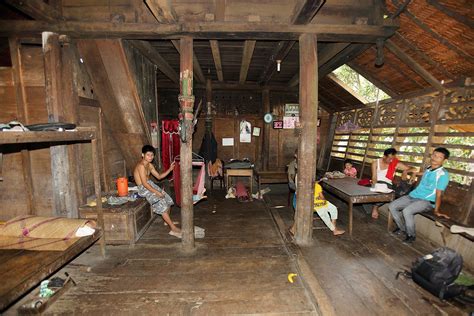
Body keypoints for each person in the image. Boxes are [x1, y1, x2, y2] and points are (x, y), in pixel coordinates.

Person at [389, 147, 451, 244]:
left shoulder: (443, 174)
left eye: (439, 157)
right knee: (392, 206)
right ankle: (402, 228)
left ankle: (411, 235)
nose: (435, 158)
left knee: (407, 211)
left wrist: (436, 211)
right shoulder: (429, 168)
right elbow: (426, 172)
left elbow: (439, 194)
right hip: (414, 196)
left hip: (427, 201)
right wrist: (415, 174)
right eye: (434, 155)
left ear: (444, 160)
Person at [134, 145, 181, 238]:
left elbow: (159, 177)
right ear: (142, 155)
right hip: (143, 188)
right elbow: (144, 184)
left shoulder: (149, 165)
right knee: (161, 203)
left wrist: (169, 170)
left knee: (168, 199)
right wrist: (157, 192)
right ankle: (172, 227)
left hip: (150, 184)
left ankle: (166, 221)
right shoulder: (141, 166)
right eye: (148, 155)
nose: (150, 157)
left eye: (152, 155)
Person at [370, 148, 414, 219]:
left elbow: (413, 168)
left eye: (393, 159)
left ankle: (375, 207)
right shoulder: (375, 162)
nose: (391, 161)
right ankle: (375, 207)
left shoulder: (395, 163)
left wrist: (406, 171)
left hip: (388, 185)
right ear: (384, 156)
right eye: (389, 158)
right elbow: (374, 177)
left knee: (389, 192)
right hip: (378, 183)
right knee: (379, 191)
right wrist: (375, 186)